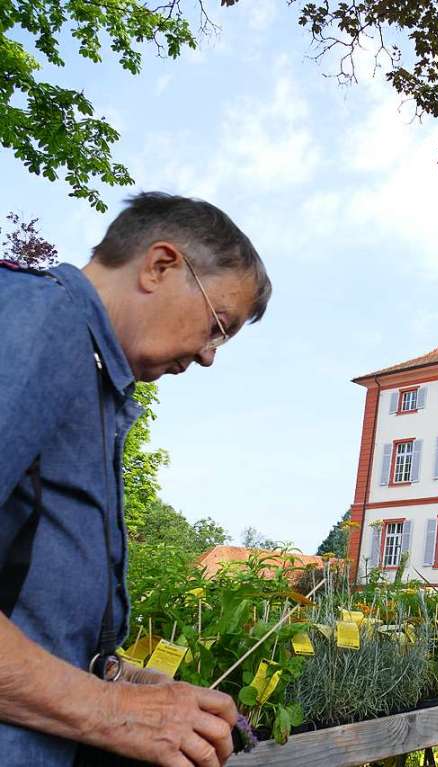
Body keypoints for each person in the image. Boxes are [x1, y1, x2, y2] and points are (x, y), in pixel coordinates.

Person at [0, 193, 272, 766]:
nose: (208, 356)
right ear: (160, 266)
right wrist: (109, 710)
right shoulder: (38, 322)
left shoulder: (91, 373)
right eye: (219, 326)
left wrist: (118, 679)